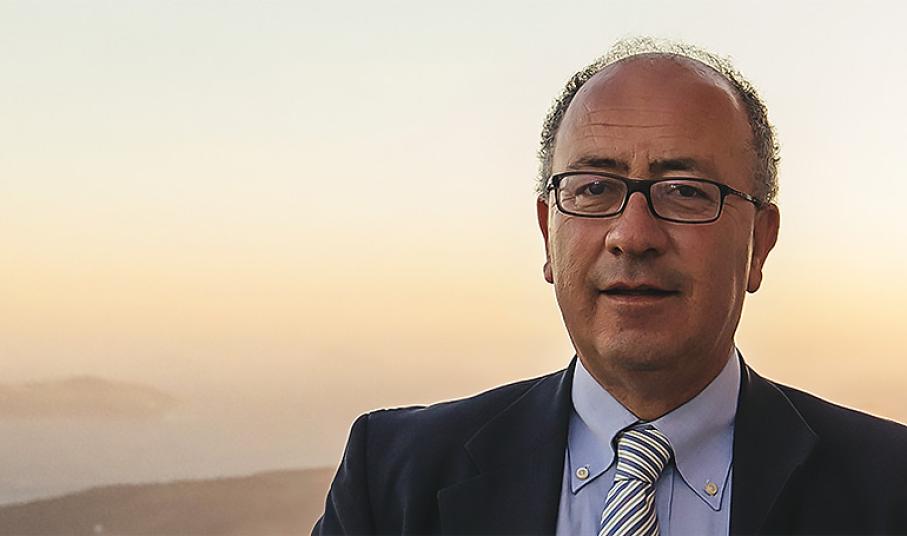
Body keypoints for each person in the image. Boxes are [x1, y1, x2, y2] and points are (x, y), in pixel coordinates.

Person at [313, 38, 907, 535]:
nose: (633, 235)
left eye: (686, 191)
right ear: (548, 233)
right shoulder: (394, 479)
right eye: (594, 188)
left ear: (761, 242)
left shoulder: (889, 488)